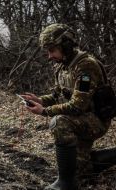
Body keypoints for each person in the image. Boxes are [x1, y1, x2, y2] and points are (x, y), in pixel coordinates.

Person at [21, 23, 116, 190]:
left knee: (59, 122)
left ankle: (66, 184)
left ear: (65, 45)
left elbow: (77, 106)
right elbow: (58, 95)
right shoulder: (63, 65)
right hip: (82, 118)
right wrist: (40, 100)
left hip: (96, 120)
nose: (49, 56)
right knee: (81, 169)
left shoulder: (85, 66)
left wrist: (45, 111)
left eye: (52, 50)